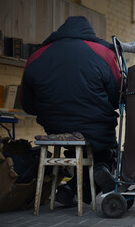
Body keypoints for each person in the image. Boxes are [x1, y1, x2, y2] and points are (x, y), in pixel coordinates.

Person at [20, 16, 121, 206]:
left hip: (55, 128)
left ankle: (71, 188)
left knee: (79, 148)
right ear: (89, 33)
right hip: (96, 127)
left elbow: (27, 104)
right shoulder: (103, 52)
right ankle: (100, 169)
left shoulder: (36, 55)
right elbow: (116, 97)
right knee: (106, 149)